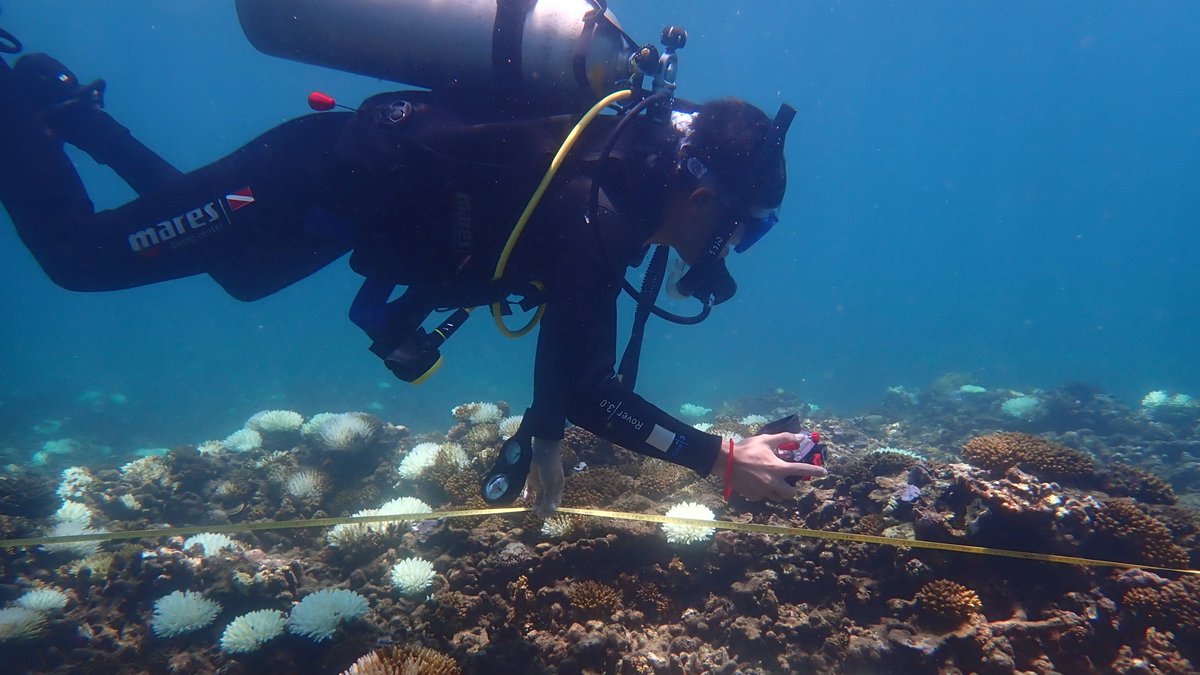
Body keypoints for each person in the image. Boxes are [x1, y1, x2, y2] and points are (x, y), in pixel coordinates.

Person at [0, 48, 827, 513]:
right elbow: (588, 384)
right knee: (81, 258)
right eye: (740, 229)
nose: (728, 250)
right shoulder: (602, 207)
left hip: (325, 209)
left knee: (235, 269)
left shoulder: (630, 177)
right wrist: (719, 459)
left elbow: (573, 349)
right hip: (304, 178)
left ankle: (72, 115)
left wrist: (542, 446)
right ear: (702, 192)